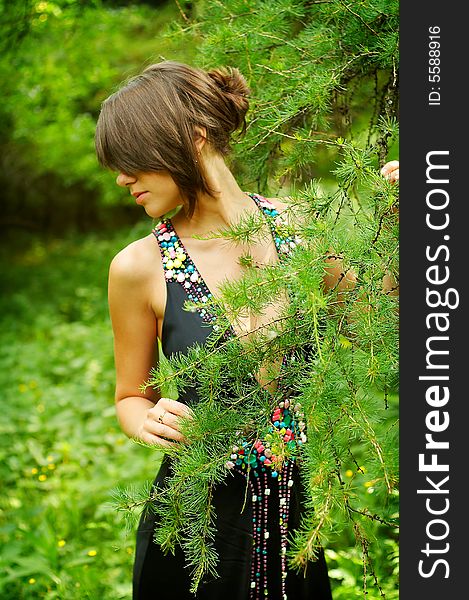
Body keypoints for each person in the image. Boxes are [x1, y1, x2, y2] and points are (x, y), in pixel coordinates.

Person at [95, 60, 399, 600]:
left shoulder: (302, 232)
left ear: (194, 134)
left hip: (291, 525)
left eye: (131, 160)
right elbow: (128, 398)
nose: (121, 178)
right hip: (191, 536)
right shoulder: (138, 268)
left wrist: (407, 221)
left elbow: (386, 327)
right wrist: (145, 420)